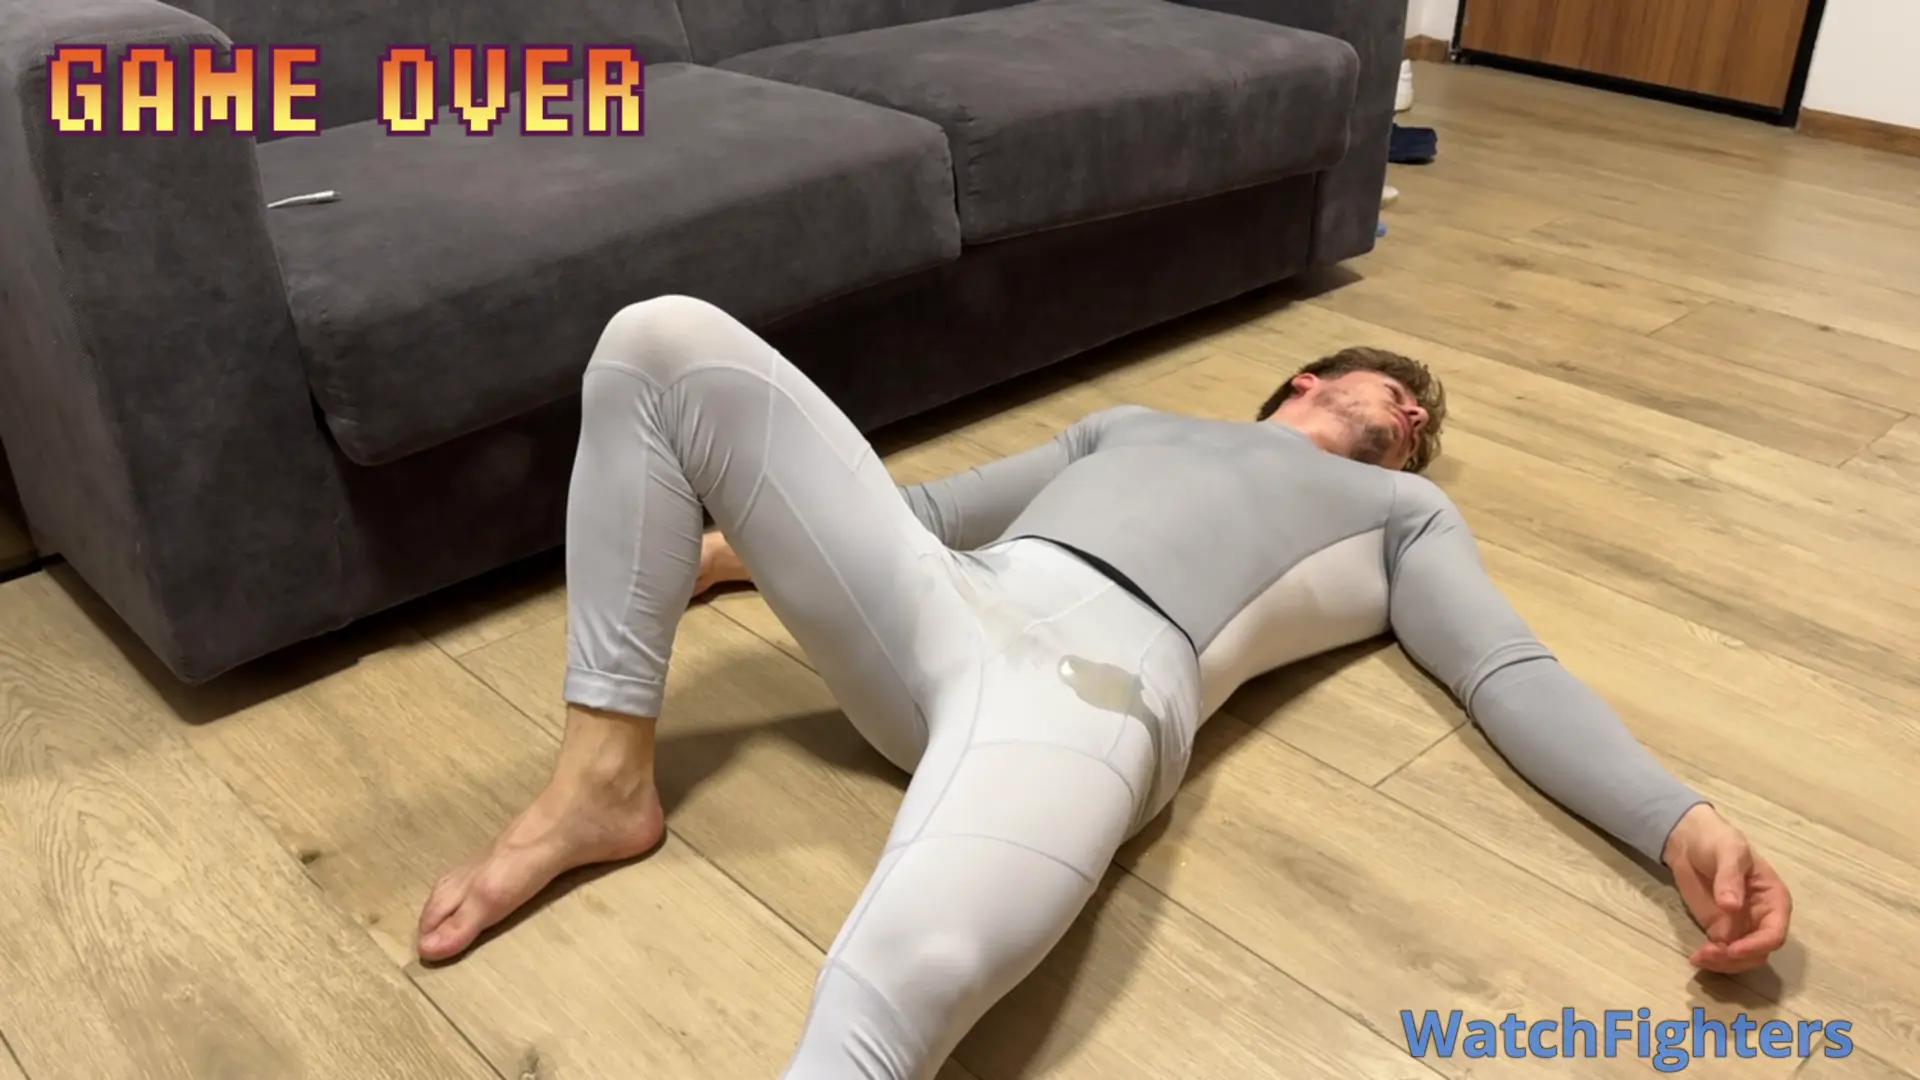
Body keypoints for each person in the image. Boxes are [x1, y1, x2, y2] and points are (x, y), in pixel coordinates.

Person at [415, 294, 1793, 1077]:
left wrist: (1677, 819)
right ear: (1309, 378)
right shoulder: (1131, 423)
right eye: (1397, 394)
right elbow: (930, 513)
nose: (1414, 418)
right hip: (952, 597)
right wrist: (707, 555)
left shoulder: (1402, 515)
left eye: (1419, 425)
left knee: (894, 999)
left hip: (1094, 692)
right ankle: (602, 783)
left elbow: (1502, 667)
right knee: (659, 337)